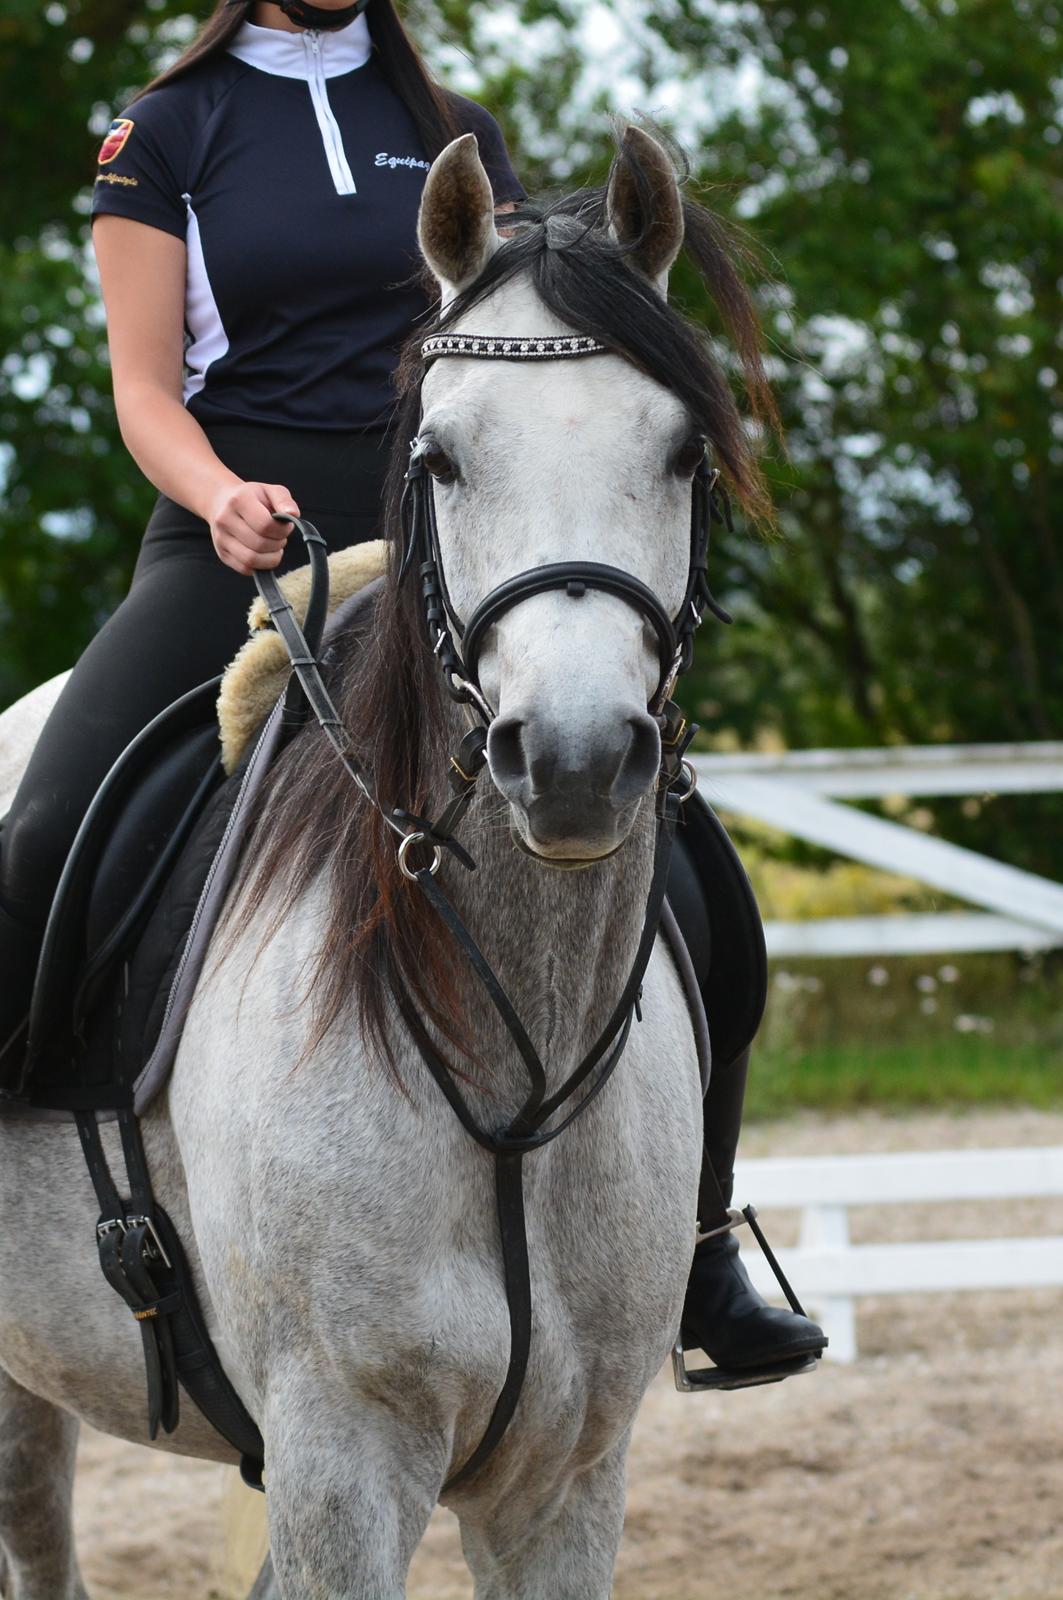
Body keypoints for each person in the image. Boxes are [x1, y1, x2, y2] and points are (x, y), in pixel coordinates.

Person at [0, 0, 824, 1378]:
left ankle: (696, 1256)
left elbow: (510, 361)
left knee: (697, 876)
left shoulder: (454, 134)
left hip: (446, 530)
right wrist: (219, 496)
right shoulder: (165, 132)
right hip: (235, 536)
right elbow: (142, 388)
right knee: (40, 840)